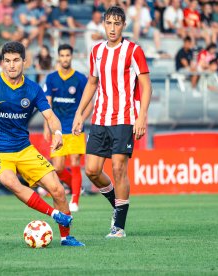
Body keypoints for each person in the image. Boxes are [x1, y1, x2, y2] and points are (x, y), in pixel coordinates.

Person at [0, 41, 84, 247]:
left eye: (16, 60)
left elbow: (50, 115)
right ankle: (55, 214)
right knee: (11, 182)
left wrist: (58, 132)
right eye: (7, 61)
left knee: (58, 190)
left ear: (24, 62)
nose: (11, 65)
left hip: (24, 149)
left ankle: (67, 237)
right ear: (2, 62)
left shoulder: (33, 89)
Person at [72, 6, 152, 238]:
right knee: (92, 170)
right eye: (109, 23)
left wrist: (141, 116)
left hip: (125, 118)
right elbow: (92, 84)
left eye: (117, 24)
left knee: (118, 168)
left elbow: (146, 85)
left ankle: (119, 226)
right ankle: (119, 206)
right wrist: (80, 114)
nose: (113, 28)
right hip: (99, 118)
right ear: (104, 25)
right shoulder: (96, 51)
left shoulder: (133, 51)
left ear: (124, 25)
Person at [43, 44, 89, 212]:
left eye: (67, 55)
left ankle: (75, 200)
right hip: (58, 128)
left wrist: (81, 119)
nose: (65, 58)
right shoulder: (51, 78)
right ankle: (76, 187)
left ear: (71, 57)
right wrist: (47, 126)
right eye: (62, 55)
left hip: (75, 126)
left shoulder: (80, 79)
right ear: (58, 57)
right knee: (59, 168)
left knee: (76, 162)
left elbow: (89, 102)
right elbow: (46, 103)